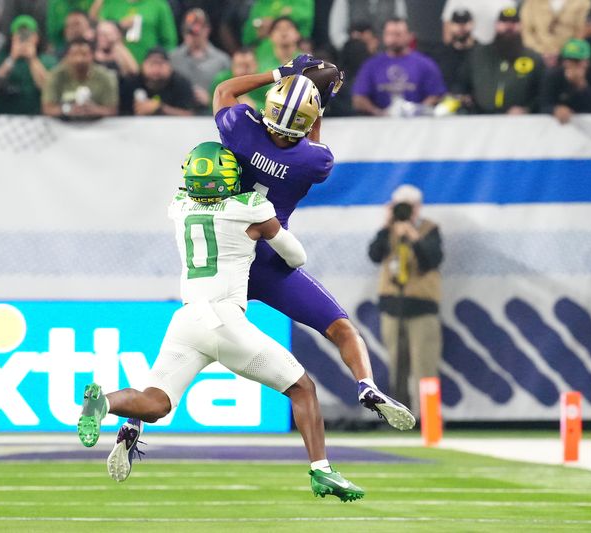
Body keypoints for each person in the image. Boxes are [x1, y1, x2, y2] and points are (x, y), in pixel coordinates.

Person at [81, 141, 365, 502]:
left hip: (186, 320)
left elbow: (194, 190)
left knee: (156, 404)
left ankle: (103, 402)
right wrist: (265, 224)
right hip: (225, 319)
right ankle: (322, 470)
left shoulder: (178, 207)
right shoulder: (251, 209)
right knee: (302, 388)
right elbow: (297, 257)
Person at [211, 54, 415, 430]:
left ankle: (136, 420)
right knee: (341, 329)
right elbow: (312, 144)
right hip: (272, 263)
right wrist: (316, 104)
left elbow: (225, 90)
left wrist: (281, 73)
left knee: (195, 344)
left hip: (227, 261)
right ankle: (367, 385)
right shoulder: (313, 162)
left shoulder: (241, 128)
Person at [367, 185, 443, 412]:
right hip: (393, 305)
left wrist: (414, 237)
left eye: (408, 206)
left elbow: (432, 260)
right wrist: (385, 224)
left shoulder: (429, 229)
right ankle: (399, 416)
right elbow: (374, 255)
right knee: (395, 366)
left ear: (418, 208)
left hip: (422, 307)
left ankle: (427, 419)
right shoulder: (387, 231)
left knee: (425, 367)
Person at [455, 7, 545, 114]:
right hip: (480, 119)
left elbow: (543, 93)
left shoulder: (533, 58)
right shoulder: (478, 54)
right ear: (496, 25)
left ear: (521, 26)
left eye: (514, 22)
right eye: (504, 22)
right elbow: (461, 84)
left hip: (520, 122)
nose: (509, 26)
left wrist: (527, 109)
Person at [352, 17, 446, 116]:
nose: (393, 38)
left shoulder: (425, 64)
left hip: (418, 125)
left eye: (398, 34)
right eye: (389, 34)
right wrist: (380, 113)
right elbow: (358, 99)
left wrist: (417, 112)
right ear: (384, 36)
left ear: (410, 36)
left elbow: (436, 95)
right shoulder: (371, 65)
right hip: (379, 124)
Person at [0, 15, 57, 115]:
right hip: (4, 117)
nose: (24, 39)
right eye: (20, 35)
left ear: (36, 37)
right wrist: (12, 58)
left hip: (37, 117)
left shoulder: (48, 61)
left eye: (28, 35)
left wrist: (32, 59)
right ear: (12, 37)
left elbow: (48, 89)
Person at [170, 8, 230, 113]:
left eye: (197, 31)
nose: (193, 35)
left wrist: (211, 99)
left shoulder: (222, 60)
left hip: (211, 116)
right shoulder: (172, 58)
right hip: (179, 116)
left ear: (207, 30)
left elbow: (230, 92)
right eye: (189, 31)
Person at [541, 38, 591, 123]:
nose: (570, 64)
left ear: (587, 62)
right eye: (567, 60)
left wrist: (582, 86)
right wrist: (555, 109)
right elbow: (544, 104)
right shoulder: (553, 76)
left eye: (576, 61)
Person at [42, 37, 118, 118]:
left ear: (92, 56)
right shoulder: (55, 75)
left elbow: (112, 110)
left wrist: (93, 110)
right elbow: (48, 108)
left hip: (97, 126)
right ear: (67, 56)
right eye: (75, 55)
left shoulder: (106, 77)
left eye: (84, 54)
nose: (79, 59)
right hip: (64, 126)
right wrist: (68, 109)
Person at [88, 0, 178, 64]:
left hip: (149, 69)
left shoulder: (158, 4)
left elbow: (169, 41)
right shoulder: (111, 3)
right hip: (116, 64)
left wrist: (161, 63)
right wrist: (119, 25)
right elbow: (99, 29)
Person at [119, 46, 195, 116]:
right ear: (143, 65)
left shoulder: (181, 83)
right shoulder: (130, 83)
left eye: (160, 64)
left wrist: (160, 108)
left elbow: (189, 114)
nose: (156, 69)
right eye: (152, 64)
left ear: (170, 67)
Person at [520, 0, 591, 68]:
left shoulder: (583, 3)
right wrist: (542, 51)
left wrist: (565, 52)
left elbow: (582, 31)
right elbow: (527, 31)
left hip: (570, 56)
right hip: (537, 54)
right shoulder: (531, 2)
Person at [326, 0, 406, 52]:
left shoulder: (396, 1)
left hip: (387, 56)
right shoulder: (345, 1)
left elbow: (402, 30)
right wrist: (358, 46)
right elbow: (337, 35)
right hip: (354, 58)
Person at [210, 47, 268, 112]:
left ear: (256, 65)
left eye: (247, 66)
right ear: (232, 67)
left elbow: (272, 111)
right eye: (239, 66)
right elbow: (211, 106)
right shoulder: (222, 81)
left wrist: (254, 106)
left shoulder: (264, 84)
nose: (243, 71)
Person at [431, 9, 477, 90]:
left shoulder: (480, 52)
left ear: (472, 24)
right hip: (447, 99)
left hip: (475, 100)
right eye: (457, 22)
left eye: (465, 22)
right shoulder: (441, 52)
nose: (461, 26)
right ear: (450, 26)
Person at [242, 0, 314, 49]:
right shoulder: (261, 4)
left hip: (297, 47)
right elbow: (246, 37)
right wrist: (258, 28)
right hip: (264, 52)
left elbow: (306, 16)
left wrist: (276, 20)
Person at [441, 0, 517, 45]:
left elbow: (515, 25)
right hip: (467, 51)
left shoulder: (508, 1)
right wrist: (449, 51)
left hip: (496, 49)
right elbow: (448, 25)